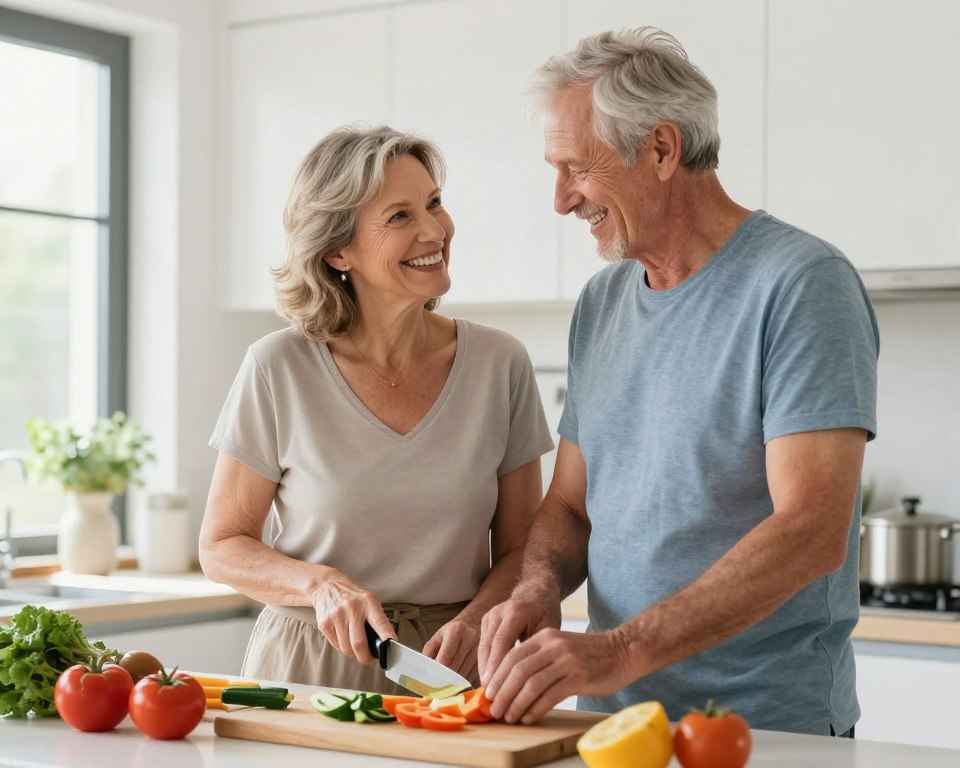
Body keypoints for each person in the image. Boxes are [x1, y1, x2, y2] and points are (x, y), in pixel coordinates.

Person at [477, 27, 879, 738]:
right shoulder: (602, 304)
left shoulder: (801, 285)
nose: (561, 200)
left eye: (575, 167)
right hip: (614, 730)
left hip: (763, 731)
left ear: (662, 149)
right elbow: (570, 506)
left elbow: (812, 530)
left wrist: (619, 651)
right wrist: (537, 589)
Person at [199, 124, 554, 694]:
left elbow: (522, 549)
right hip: (309, 668)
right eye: (400, 217)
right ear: (339, 250)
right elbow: (221, 546)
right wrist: (320, 586)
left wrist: (475, 620)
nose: (435, 230)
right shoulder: (277, 367)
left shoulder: (499, 364)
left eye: (434, 204)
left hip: (450, 670)